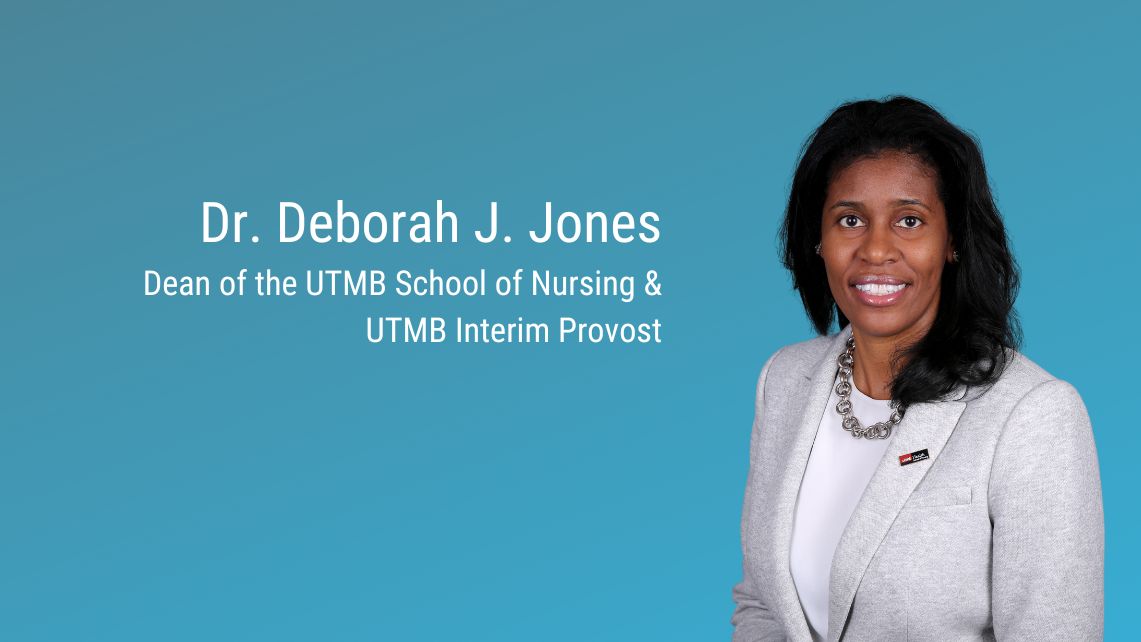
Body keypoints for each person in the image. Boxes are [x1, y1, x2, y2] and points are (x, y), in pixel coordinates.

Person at [729, 96, 1104, 641]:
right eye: (850, 219)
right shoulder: (784, 382)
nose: (876, 250)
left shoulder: (1033, 416)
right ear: (818, 240)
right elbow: (763, 605)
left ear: (951, 241)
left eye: (909, 220)